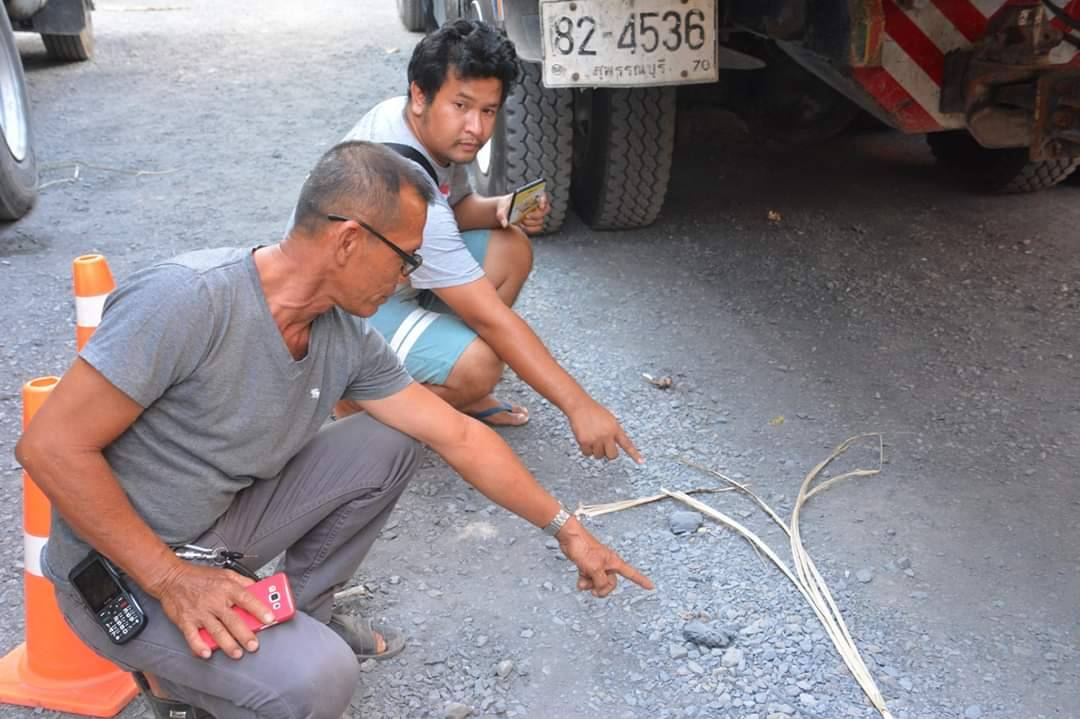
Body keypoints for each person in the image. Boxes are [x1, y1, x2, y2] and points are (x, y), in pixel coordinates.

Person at [14, 142, 652, 719]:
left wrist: (567, 529)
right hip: (123, 571)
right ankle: (187, 683)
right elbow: (49, 447)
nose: (409, 277)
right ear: (349, 241)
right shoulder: (189, 299)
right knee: (320, 680)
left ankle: (294, 622)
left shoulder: (344, 337)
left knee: (392, 440)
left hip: (218, 535)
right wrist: (171, 580)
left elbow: (459, 435)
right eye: (405, 258)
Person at [339, 20, 641, 463]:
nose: (476, 128)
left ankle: (441, 377)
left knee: (510, 246)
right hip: (351, 317)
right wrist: (579, 406)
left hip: (396, 280)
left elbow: (457, 207)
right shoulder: (405, 183)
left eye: (488, 110)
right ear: (420, 94)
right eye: (461, 105)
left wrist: (501, 207)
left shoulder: (415, 125)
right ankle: (357, 406)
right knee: (480, 366)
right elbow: (490, 317)